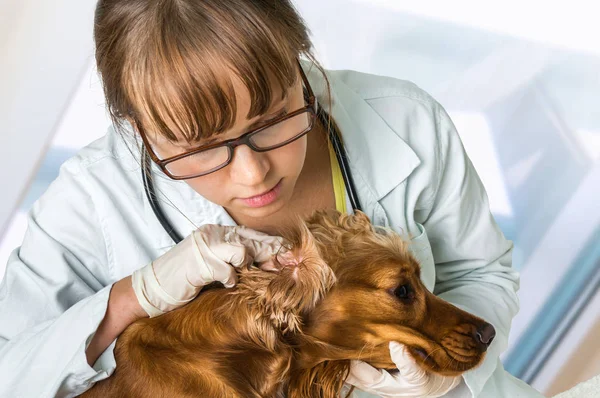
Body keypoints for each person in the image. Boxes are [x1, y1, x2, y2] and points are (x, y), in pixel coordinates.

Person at [0, 1, 544, 397]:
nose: (253, 173)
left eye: (272, 122)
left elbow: (483, 275)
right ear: (140, 132)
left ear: (300, 67)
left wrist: (443, 385)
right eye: (200, 148)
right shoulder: (91, 197)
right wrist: (133, 297)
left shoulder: (404, 119)